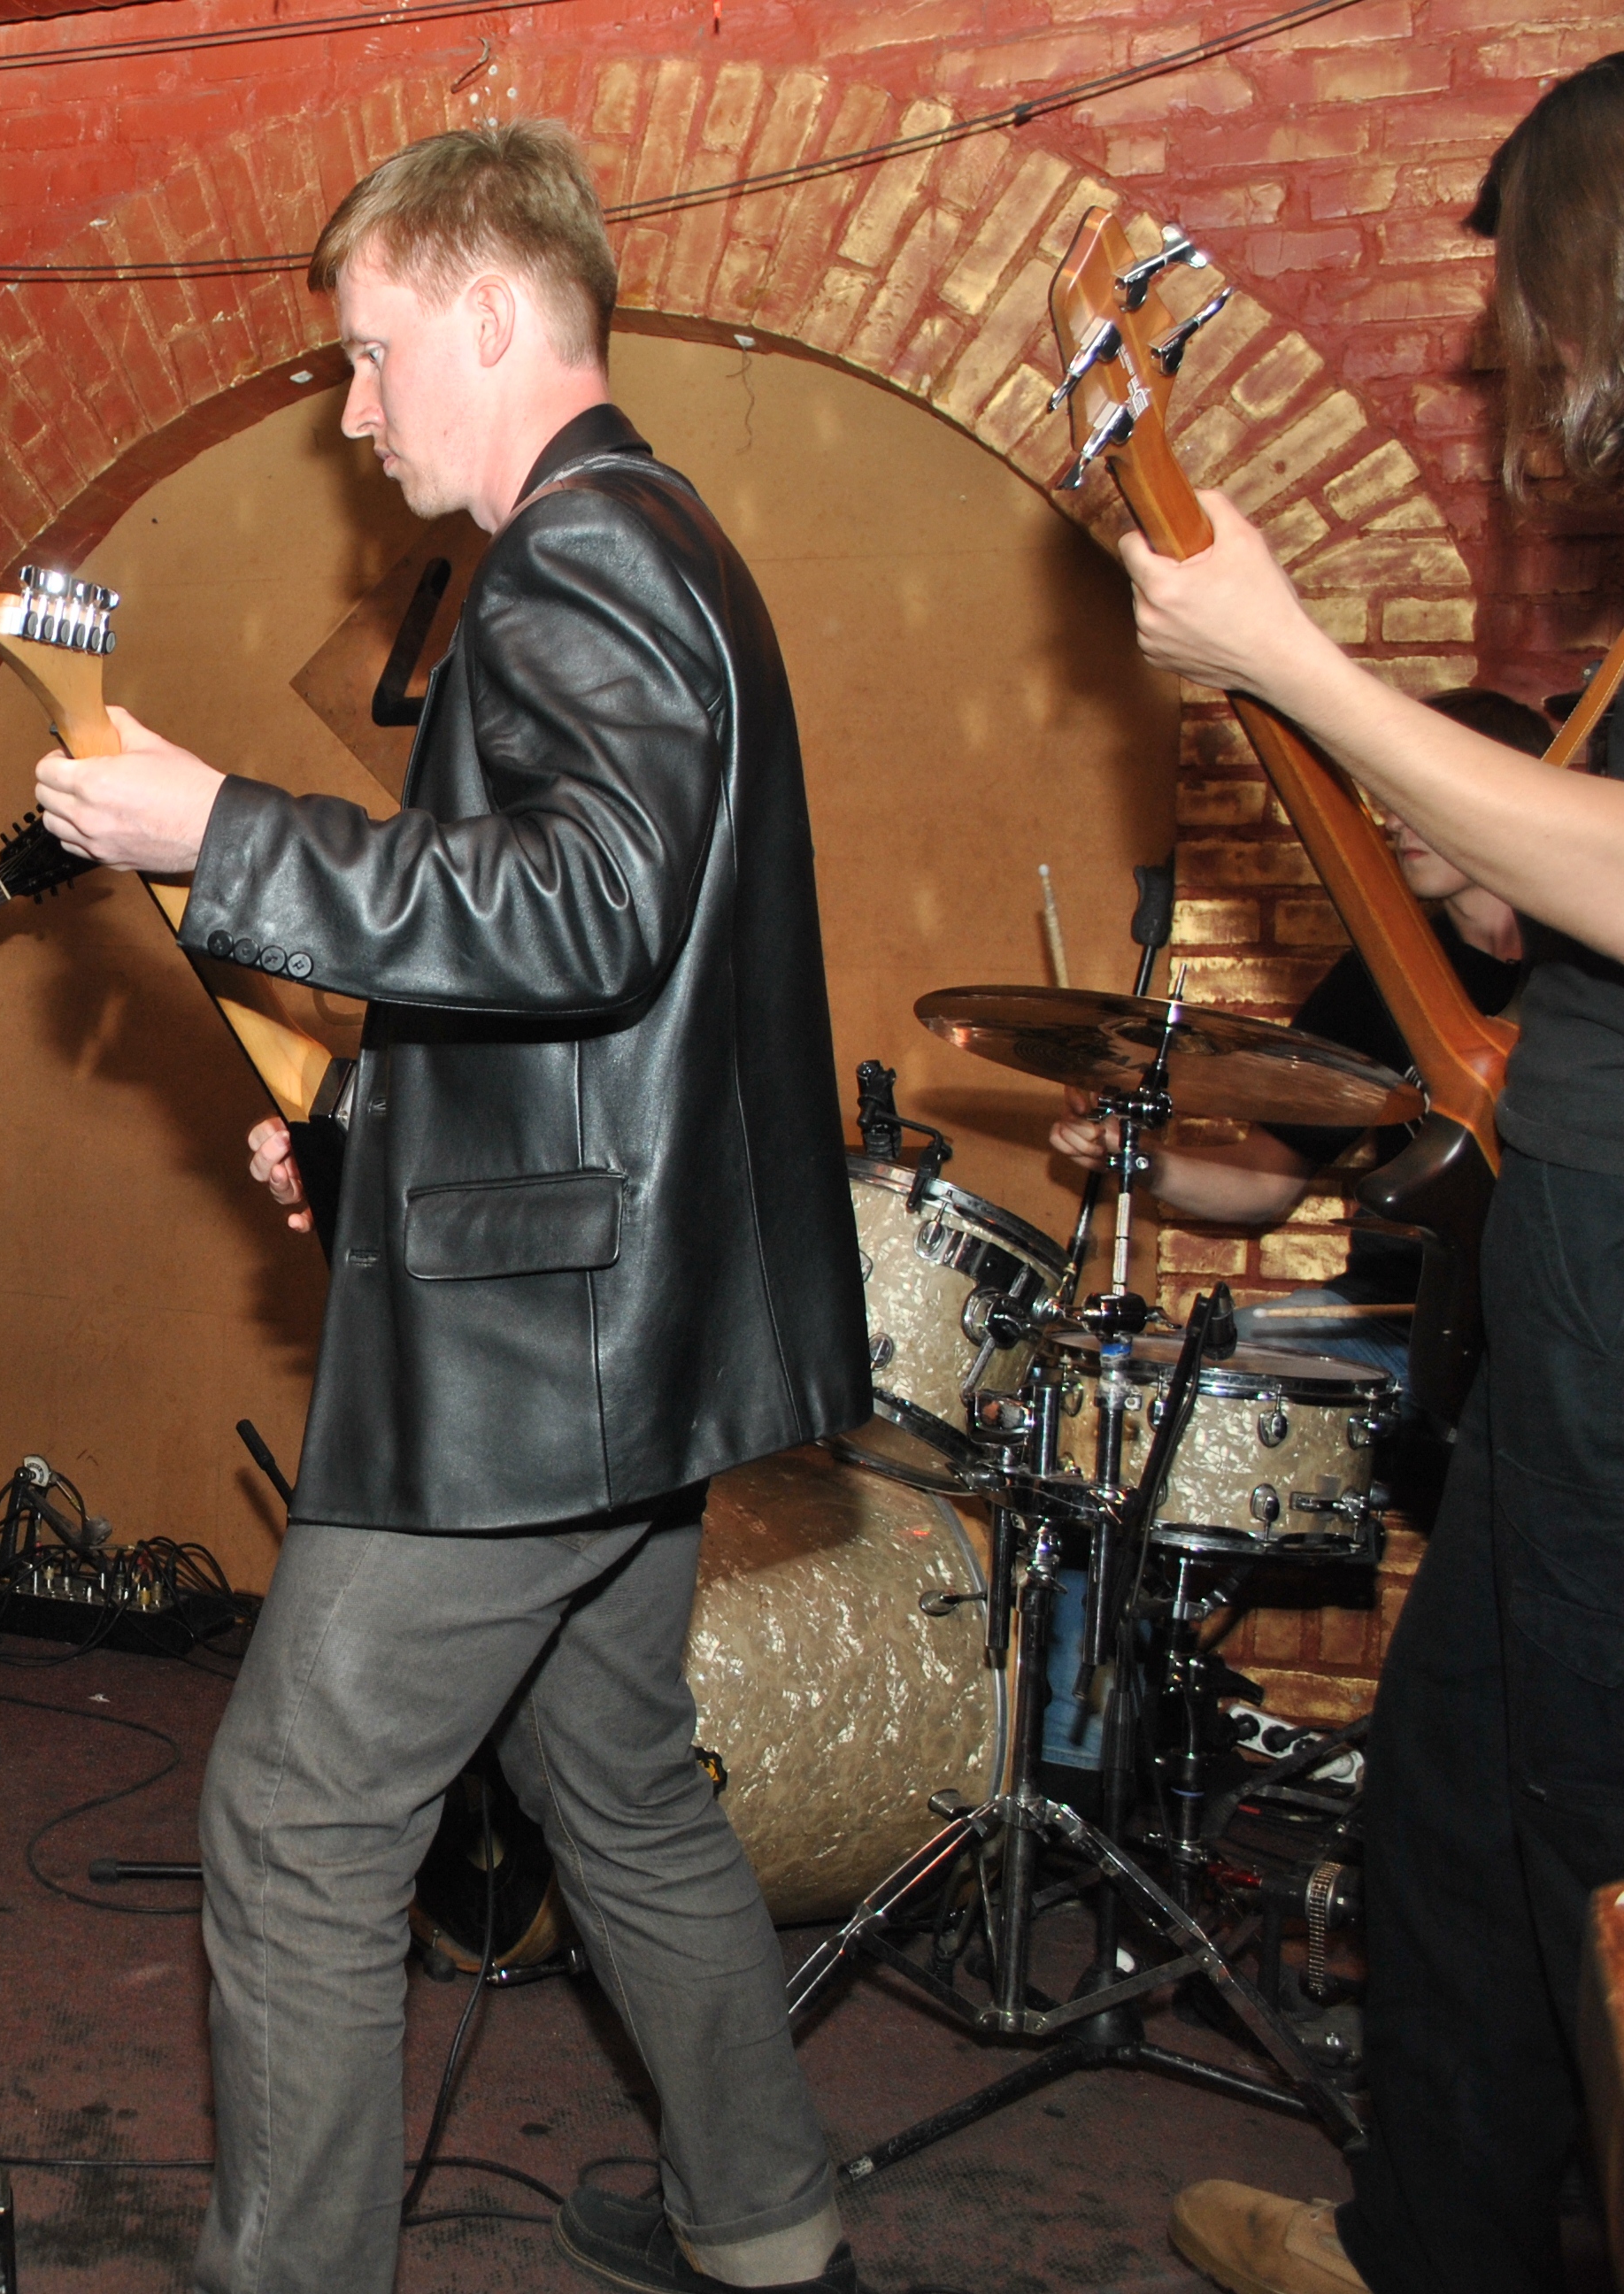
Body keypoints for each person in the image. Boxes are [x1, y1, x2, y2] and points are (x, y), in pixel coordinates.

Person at [36, 124, 873, 2294]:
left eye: (369, 349)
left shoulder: (581, 550)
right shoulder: (647, 540)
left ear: (491, 314)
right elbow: (606, 994)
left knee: (295, 1821)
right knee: (620, 1784)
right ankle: (765, 2220)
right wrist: (362, 1118)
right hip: (617, 1322)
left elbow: (586, 906)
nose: (352, 406)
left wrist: (221, 829)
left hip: (530, 1363)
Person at [1104, 55, 1624, 2294]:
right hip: (1559, 1310)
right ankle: (1430, 2246)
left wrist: (1286, 659)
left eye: (1527, 294)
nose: (1503, 349)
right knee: (1454, 1820)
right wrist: (1488, 894)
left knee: (1585, 1865)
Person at [1046, 687, 1538, 1394]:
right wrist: (1139, 1158)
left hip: (1551, 1331)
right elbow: (1264, 1182)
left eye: (1415, 791)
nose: (1392, 818)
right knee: (1186, 1377)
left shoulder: (1585, 979)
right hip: (1396, 1316)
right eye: (1387, 794)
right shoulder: (1381, 977)